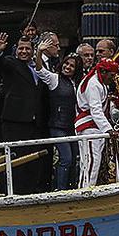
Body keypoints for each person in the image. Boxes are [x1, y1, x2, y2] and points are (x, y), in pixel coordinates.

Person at [0, 33, 49, 193]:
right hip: (15, 121)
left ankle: (31, 191)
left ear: (33, 50)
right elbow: (1, 63)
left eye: (27, 48)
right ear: (16, 50)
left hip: (35, 122)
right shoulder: (12, 63)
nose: (24, 51)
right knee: (16, 160)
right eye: (21, 48)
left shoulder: (38, 66)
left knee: (34, 160)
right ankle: (14, 192)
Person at [36, 40, 82, 191]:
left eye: (72, 66)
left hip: (72, 126)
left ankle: (72, 188)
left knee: (75, 158)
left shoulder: (77, 83)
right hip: (57, 126)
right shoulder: (54, 78)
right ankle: (60, 189)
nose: (67, 67)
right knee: (66, 158)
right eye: (66, 64)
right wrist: (39, 52)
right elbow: (39, 70)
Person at [74, 58, 119, 188]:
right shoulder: (93, 84)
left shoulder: (100, 83)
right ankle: (85, 190)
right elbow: (96, 111)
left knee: (94, 160)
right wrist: (108, 129)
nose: (113, 79)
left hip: (96, 127)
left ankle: (89, 187)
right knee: (91, 160)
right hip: (88, 126)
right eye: (112, 75)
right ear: (104, 72)